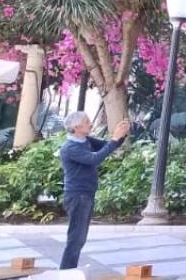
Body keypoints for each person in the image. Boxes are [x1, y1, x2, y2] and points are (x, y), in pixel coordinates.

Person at [58, 111, 130, 270]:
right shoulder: (69, 148)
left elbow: (108, 146)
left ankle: (68, 271)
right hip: (77, 195)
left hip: (87, 194)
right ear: (76, 127)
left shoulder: (86, 140)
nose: (90, 124)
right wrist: (114, 139)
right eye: (87, 122)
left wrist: (121, 134)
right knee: (76, 238)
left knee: (79, 238)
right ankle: (65, 272)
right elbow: (94, 158)